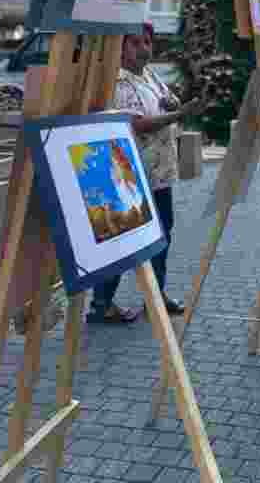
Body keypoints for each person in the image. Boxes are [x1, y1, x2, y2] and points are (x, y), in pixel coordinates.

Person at [88, 23, 202, 324]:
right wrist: (180, 114)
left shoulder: (149, 75)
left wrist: (173, 103)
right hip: (129, 176)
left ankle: (156, 296)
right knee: (122, 238)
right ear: (121, 48)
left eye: (147, 43)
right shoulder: (116, 81)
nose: (143, 49)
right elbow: (137, 124)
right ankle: (102, 304)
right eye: (135, 43)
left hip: (159, 173)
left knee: (162, 233)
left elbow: (165, 100)